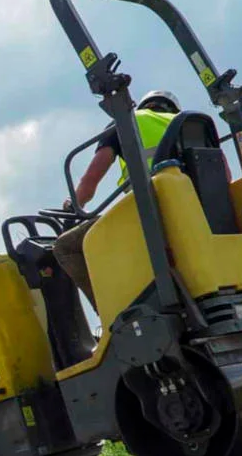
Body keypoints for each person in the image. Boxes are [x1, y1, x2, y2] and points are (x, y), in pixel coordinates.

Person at [54, 90, 181, 308]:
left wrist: (72, 204)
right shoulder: (189, 124)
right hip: (193, 210)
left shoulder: (126, 123)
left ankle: (111, 315)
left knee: (67, 246)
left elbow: (89, 184)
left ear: (144, 106)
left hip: (149, 210)